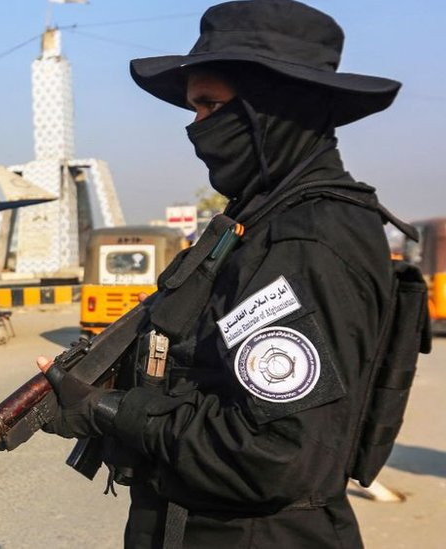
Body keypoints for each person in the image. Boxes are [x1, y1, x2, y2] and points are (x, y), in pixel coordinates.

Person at [35, 2, 425, 548]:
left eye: (209, 106)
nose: (196, 128)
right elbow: (209, 376)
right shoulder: (259, 223)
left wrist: (109, 413)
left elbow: (271, 453)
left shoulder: (304, 241)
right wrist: (94, 386)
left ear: (271, 108)